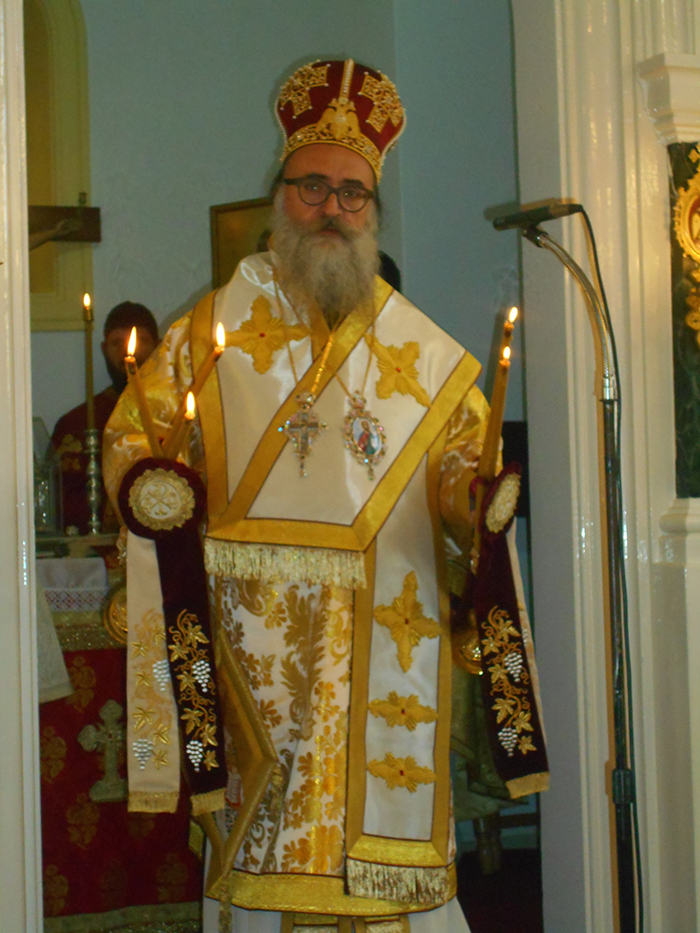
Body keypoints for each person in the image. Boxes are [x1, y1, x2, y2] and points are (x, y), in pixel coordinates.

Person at [104, 59, 545, 933]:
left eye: (352, 193)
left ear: (372, 210)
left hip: (386, 642)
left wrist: (473, 500)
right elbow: (132, 442)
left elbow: (462, 465)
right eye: (312, 187)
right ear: (280, 197)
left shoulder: (421, 355)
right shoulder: (211, 330)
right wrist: (155, 491)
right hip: (254, 662)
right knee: (260, 878)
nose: (332, 208)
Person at [52, 301, 158, 534]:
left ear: (158, 346)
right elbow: (59, 505)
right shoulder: (76, 424)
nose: (128, 353)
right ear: (103, 348)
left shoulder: (178, 416)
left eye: (141, 341)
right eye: (116, 343)